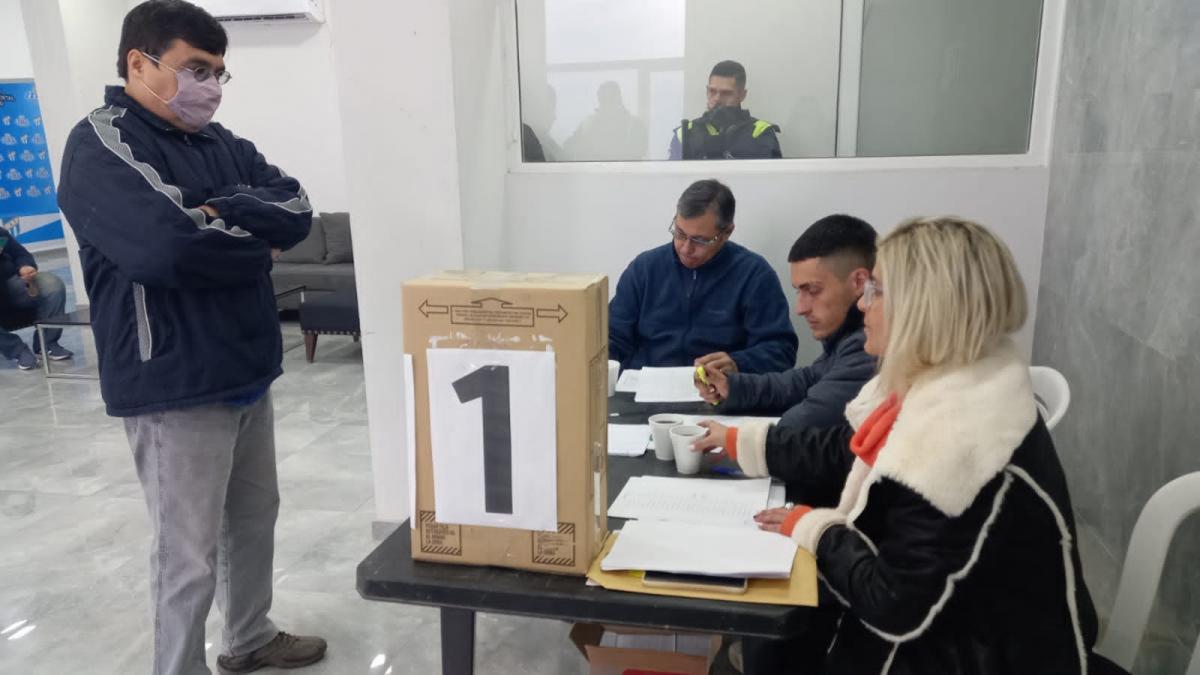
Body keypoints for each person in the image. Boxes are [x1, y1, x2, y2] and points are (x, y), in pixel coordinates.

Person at [694, 216, 1124, 674]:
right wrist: (748, 443)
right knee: (766, 643)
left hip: (979, 655)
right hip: (957, 627)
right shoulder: (952, 376)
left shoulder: (959, 436)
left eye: (876, 291)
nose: (863, 303)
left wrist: (818, 531)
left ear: (923, 307)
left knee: (762, 649)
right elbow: (850, 448)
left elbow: (892, 604)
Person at [55, 2, 325, 674]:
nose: (210, 86)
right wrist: (254, 243)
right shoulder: (101, 145)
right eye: (196, 69)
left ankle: (249, 636)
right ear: (139, 63)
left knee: (253, 519)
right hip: (173, 381)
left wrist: (219, 209)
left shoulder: (221, 143)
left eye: (218, 73)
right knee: (187, 554)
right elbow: (166, 249)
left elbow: (296, 209)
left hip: (246, 366)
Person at [695, 215, 877, 439]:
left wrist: (738, 440)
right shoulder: (848, 336)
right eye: (799, 291)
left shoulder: (870, 345)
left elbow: (801, 425)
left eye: (813, 290)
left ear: (859, 282)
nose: (800, 308)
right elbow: (808, 381)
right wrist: (732, 388)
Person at [609, 179, 797, 375]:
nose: (685, 248)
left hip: (719, 387)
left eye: (700, 240)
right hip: (644, 386)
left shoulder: (754, 276)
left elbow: (781, 350)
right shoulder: (645, 269)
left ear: (727, 232)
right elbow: (611, 338)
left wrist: (738, 363)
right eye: (680, 233)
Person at [668, 60, 781, 160]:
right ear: (707, 91)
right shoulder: (685, 133)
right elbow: (672, 176)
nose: (717, 99)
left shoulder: (760, 133)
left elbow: (772, 176)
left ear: (742, 95)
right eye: (712, 91)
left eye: (726, 93)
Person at [0, 229, 73, 370]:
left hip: (9, 283)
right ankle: (16, 349)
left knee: (51, 285)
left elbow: (20, 253)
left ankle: (46, 343)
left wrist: (25, 265)